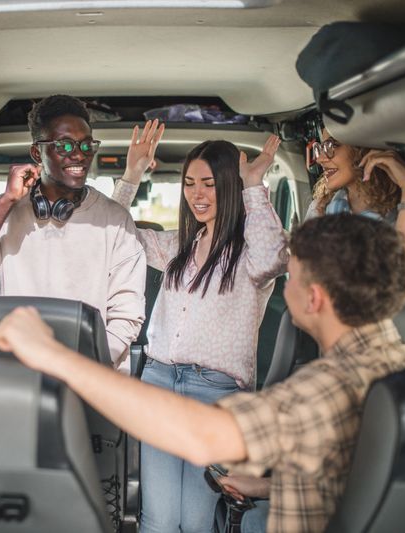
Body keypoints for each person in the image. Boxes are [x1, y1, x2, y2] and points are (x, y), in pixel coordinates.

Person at [0, 213, 405, 533]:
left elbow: (204, 436)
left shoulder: (324, 390)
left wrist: (52, 353)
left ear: (315, 299)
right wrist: (269, 485)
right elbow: (367, 477)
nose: (287, 285)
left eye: (294, 277)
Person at [112, 122, 287, 533]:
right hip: (157, 381)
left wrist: (253, 186)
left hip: (215, 394)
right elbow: (113, 237)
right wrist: (132, 174)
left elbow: (273, 260)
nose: (197, 194)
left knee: (193, 523)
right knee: (156, 521)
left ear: (228, 186)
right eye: (190, 184)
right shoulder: (177, 246)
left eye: (208, 184)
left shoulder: (250, 250)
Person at [0, 94, 145, 368]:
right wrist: (5, 203)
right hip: (18, 368)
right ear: (37, 153)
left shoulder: (115, 219)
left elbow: (126, 316)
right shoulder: (5, 210)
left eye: (87, 145)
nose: (79, 154)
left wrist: (82, 369)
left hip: (91, 371)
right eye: (64, 145)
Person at [305, 131, 405, 302]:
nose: (320, 158)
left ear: (362, 148)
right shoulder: (320, 209)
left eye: (332, 145)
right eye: (320, 148)